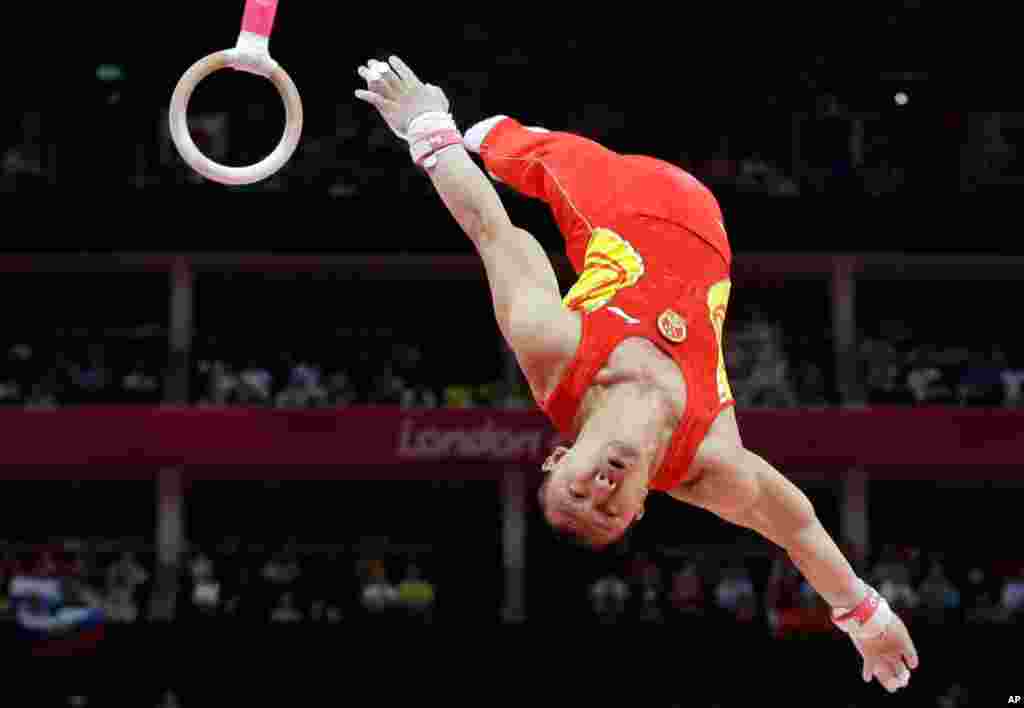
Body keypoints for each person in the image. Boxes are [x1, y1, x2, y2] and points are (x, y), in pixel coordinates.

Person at [355, 56, 919, 693]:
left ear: (557, 458)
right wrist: (864, 615)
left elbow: (495, 233)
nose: (599, 488)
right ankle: (505, 140)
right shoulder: (708, 463)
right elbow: (798, 529)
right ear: (639, 510)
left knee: (528, 156)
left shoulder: (554, 352)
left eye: (576, 490)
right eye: (608, 510)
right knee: (546, 157)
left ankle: (501, 137)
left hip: (610, 201)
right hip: (708, 227)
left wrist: (427, 127)